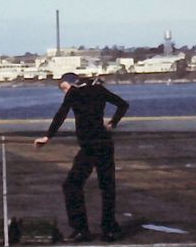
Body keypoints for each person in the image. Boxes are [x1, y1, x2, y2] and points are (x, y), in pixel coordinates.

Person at [34, 73, 129, 242]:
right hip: (103, 143)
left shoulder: (74, 93)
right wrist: (113, 122)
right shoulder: (98, 89)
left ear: (71, 83)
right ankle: (109, 229)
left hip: (89, 147)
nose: (65, 92)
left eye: (64, 88)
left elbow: (61, 115)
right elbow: (123, 105)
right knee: (107, 187)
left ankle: (81, 229)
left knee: (71, 185)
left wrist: (47, 137)